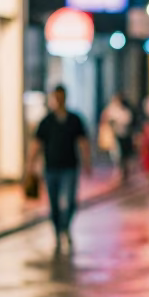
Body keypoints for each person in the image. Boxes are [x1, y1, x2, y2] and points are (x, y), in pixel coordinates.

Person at [27, 84, 91, 251]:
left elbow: (83, 142)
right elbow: (36, 144)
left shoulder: (74, 119)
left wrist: (87, 162)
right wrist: (30, 165)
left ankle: (65, 226)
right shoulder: (46, 121)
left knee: (70, 202)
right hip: (51, 168)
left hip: (70, 167)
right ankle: (57, 231)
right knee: (54, 203)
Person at [101, 92, 135, 181]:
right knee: (117, 154)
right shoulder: (111, 109)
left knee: (125, 155)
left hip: (124, 135)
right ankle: (119, 170)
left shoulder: (125, 110)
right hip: (115, 136)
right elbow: (105, 118)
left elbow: (129, 120)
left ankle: (124, 171)